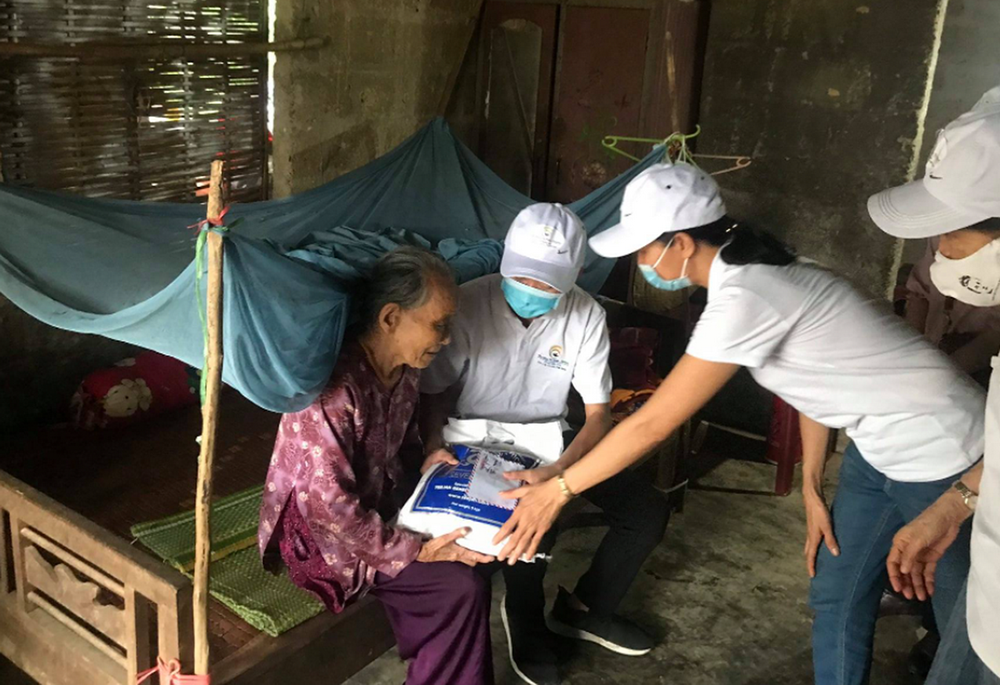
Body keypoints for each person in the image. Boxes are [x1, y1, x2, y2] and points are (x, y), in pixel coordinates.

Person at [491, 163, 986, 685]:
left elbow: (654, 424)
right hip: (875, 450)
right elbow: (816, 383)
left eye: (641, 250)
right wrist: (811, 485)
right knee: (836, 593)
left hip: (951, 453)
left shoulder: (748, 295)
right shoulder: (761, 273)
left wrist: (561, 489)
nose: (639, 264)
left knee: (968, 628)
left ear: (680, 244)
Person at [420, 203, 669, 685]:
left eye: (547, 285)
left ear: (574, 275)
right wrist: (433, 444)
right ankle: (525, 612)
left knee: (645, 511)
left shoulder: (585, 314)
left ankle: (585, 608)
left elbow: (598, 415)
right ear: (505, 262)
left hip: (549, 437)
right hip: (475, 436)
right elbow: (435, 394)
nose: (532, 293)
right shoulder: (468, 303)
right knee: (525, 520)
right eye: (524, 279)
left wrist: (560, 474)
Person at [257, 247, 496, 685]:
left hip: (383, 512)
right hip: (322, 543)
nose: (445, 339)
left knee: (479, 551)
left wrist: (428, 467)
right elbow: (328, 511)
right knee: (458, 588)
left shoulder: (405, 370)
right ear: (390, 318)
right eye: (438, 325)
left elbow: (403, 446)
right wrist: (415, 548)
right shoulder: (333, 391)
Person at [869, 86, 1000, 684]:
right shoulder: (952, 262)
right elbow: (922, 288)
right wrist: (956, 506)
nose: (943, 247)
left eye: (957, 233)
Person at [904, 236, 1000, 387]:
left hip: (976, 373)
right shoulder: (946, 236)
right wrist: (911, 353)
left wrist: (939, 377)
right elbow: (919, 294)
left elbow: (994, 339)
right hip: (934, 355)